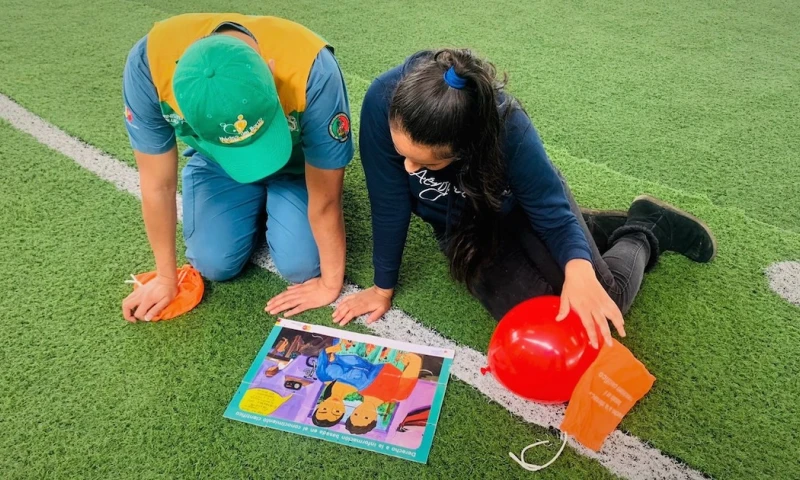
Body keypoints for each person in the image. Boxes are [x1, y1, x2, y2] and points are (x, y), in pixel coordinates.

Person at [333, 49, 716, 349]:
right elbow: (388, 201)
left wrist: (579, 270)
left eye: (428, 161)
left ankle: (645, 226)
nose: (411, 170)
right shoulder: (384, 98)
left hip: (523, 205)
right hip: (463, 227)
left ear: (468, 148)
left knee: (604, 300)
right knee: (553, 321)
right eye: (404, 154)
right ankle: (593, 227)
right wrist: (382, 288)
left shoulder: (507, 127)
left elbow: (549, 209)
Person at [121, 14, 353, 322]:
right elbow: (157, 184)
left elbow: (325, 199)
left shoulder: (312, 68)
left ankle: (273, 201)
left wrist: (330, 284)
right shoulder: (148, 66)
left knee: (301, 267)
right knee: (211, 263)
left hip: (296, 166)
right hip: (220, 165)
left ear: (271, 72)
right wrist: (165, 279)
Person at [312, 342, 421, 434]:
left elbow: (372, 358)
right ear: (375, 419)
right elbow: (415, 361)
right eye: (366, 418)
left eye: (356, 414)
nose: (363, 412)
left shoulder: (363, 387)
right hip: (403, 348)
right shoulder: (399, 395)